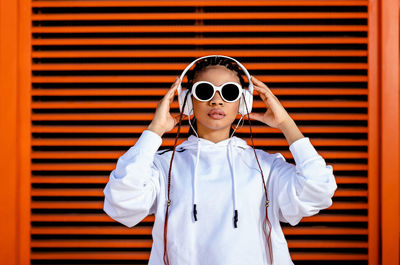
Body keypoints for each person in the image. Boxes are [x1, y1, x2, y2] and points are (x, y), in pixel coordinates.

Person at [102, 55, 337, 265]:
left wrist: (287, 124)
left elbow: (318, 189)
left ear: (244, 102)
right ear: (187, 100)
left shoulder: (267, 166)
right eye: (204, 91)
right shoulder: (163, 165)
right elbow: (122, 201)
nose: (216, 101)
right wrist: (155, 130)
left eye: (229, 92)